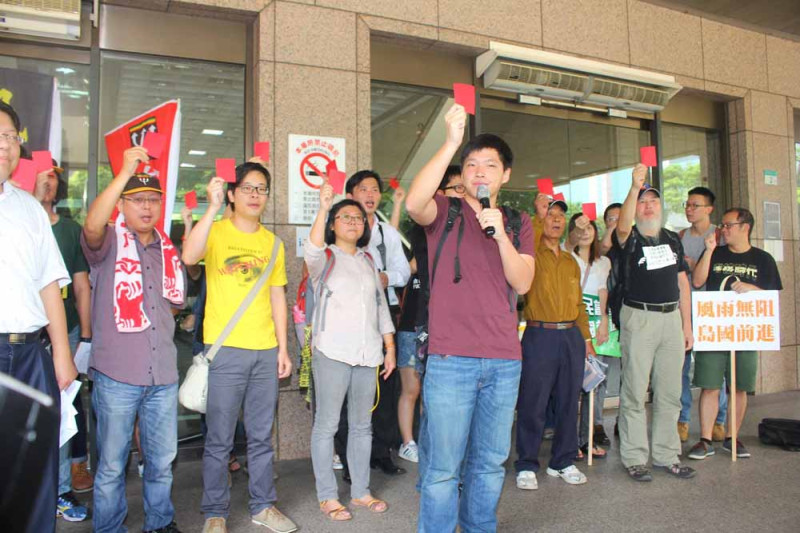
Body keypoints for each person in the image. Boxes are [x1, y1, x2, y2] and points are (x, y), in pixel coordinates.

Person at [406, 103, 535, 532]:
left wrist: (499, 235)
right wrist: (450, 143)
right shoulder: (446, 211)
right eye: (472, 164)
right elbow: (413, 202)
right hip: (450, 360)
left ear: (506, 175)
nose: (480, 172)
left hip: (503, 361)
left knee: (490, 464)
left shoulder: (517, 222)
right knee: (442, 468)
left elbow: (523, 283)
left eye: (490, 165)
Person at [182, 162, 295, 533]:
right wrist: (211, 207)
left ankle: (263, 505)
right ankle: (215, 512)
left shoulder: (274, 244)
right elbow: (188, 256)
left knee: (262, 437)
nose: (254, 195)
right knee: (220, 438)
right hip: (225, 350)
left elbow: (278, 296)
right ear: (232, 193)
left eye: (261, 189)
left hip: (264, 350)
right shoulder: (215, 231)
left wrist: (282, 348)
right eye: (247, 188)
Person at [82, 146, 185, 532]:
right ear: (122, 205)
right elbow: (91, 227)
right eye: (137, 200)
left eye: (153, 201)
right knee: (111, 464)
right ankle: (109, 527)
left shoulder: (168, 251)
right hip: (117, 375)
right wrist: (125, 171)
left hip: (162, 374)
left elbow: (172, 306)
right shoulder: (108, 242)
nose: (147, 207)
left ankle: (160, 522)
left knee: (161, 461)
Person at [0, 101, 77, 533]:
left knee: (34, 467)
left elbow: (50, 284)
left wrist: (61, 355)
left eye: (10, 137)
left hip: (30, 356)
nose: (4, 146)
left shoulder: (29, 209)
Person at [305, 182, 396, 522]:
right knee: (326, 425)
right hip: (331, 351)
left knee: (362, 426)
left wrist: (389, 347)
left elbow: (380, 307)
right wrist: (323, 205)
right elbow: (310, 250)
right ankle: (327, 496)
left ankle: (360, 492)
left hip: (367, 352)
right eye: (344, 217)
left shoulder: (368, 260)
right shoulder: (324, 258)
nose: (353, 222)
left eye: (358, 217)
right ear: (332, 224)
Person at [613, 165, 696, 482]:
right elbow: (621, 226)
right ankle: (635, 458)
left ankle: (667, 455)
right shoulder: (629, 238)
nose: (648, 206)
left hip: (671, 319)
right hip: (639, 318)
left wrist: (687, 325)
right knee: (634, 391)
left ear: (661, 207)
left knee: (670, 392)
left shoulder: (673, 240)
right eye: (643, 202)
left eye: (653, 201)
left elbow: (683, 285)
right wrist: (634, 188)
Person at [687, 208, 782, 460]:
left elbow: (772, 296)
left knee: (739, 387)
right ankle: (705, 439)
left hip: (745, 331)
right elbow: (697, 281)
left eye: (729, 225)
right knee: (709, 385)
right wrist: (708, 250)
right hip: (715, 330)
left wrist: (754, 289)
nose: (723, 230)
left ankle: (732, 436)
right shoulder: (715, 253)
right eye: (723, 225)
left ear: (745, 227)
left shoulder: (763, 259)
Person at [515, 200, 592, 490]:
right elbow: (532, 235)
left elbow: (579, 304)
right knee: (533, 402)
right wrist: (538, 212)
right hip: (540, 335)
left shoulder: (571, 261)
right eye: (551, 215)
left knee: (569, 401)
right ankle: (526, 463)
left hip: (570, 335)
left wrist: (585, 339)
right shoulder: (532, 254)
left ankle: (563, 460)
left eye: (561, 216)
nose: (556, 220)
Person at [338, 170, 410, 478]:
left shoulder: (388, 233)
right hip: (348, 318)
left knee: (384, 385)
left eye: (374, 190)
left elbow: (404, 272)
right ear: (351, 194)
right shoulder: (339, 229)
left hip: (384, 316)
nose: (370, 194)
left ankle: (382, 452)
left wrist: (386, 278)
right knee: (347, 389)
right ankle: (349, 460)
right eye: (363, 188)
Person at [32, 159, 93, 521]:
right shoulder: (18, 220)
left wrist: (84, 336)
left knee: (63, 413)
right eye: (42, 175)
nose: (48, 182)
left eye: (53, 176)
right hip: (21, 335)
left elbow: (81, 284)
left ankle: (60, 490)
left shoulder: (69, 231)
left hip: (64, 332)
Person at [396, 165, 464, 466]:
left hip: (445, 327)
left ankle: (428, 441)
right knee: (412, 388)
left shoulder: (464, 234)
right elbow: (403, 265)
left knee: (434, 392)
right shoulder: (424, 231)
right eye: (457, 188)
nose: (463, 195)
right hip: (413, 323)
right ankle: (408, 442)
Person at [677, 187, 727, 443]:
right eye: (687, 204)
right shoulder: (681, 236)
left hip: (711, 310)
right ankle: (682, 419)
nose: (689, 209)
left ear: (709, 209)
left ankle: (719, 419)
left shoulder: (720, 235)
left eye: (695, 205)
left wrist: (697, 265)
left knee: (714, 368)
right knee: (681, 367)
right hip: (684, 309)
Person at [568, 213, 612, 460]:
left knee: (595, 382)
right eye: (579, 228)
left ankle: (588, 439)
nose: (585, 233)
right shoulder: (567, 256)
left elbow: (603, 291)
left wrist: (604, 320)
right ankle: (570, 440)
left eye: (589, 228)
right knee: (572, 385)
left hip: (597, 324)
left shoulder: (603, 262)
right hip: (573, 323)